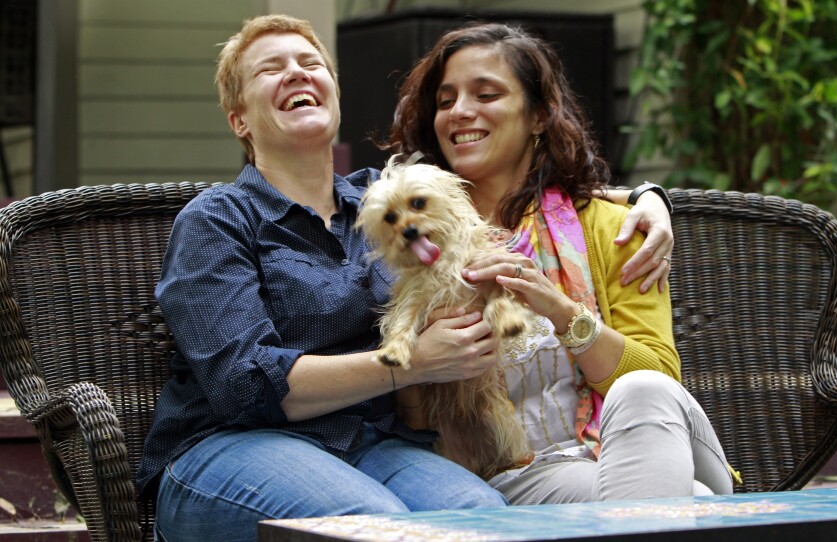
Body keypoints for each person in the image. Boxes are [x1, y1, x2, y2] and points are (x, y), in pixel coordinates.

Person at [134, 14, 676, 542]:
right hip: (230, 448)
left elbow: (498, 192)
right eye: (270, 69)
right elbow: (244, 385)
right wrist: (409, 363)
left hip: (367, 445)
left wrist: (648, 198)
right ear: (239, 120)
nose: (296, 73)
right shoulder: (218, 219)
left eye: (310, 63)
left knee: (485, 517)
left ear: (334, 95)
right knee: (375, 522)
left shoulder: (379, 200)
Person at [385, 22, 736, 504]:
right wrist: (425, 361)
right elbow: (417, 420)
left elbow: (659, 379)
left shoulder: (614, 228)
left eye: (486, 94)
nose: (461, 112)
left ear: (539, 116)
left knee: (645, 391)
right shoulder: (415, 245)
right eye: (446, 102)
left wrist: (561, 311)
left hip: (641, 438)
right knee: (691, 500)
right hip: (521, 473)